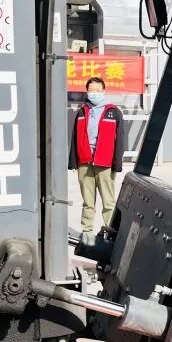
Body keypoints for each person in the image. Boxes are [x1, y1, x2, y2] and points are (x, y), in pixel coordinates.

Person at [68, 76, 127, 234]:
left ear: (104, 91)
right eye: (91, 90)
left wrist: (117, 163)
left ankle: (110, 232)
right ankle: (87, 232)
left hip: (105, 164)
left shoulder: (113, 112)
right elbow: (75, 138)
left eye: (98, 90)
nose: (94, 93)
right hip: (85, 163)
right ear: (87, 92)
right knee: (88, 202)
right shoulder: (82, 111)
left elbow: (120, 139)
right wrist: (73, 162)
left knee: (108, 202)